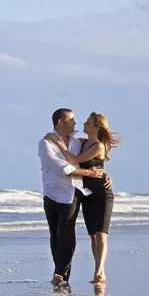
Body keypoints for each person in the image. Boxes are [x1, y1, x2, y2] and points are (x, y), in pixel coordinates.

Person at [38, 108, 112, 286]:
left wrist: (104, 176)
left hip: (74, 194)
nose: (77, 123)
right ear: (60, 122)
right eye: (72, 120)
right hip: (53, 194)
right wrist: (89, 172)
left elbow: (90, 160)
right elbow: (62, 168)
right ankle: (60, 271)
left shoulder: (77, 143)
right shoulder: (46, 142)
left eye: (83, 121)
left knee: (68, 235)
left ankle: (62, 274)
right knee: (55, 235)